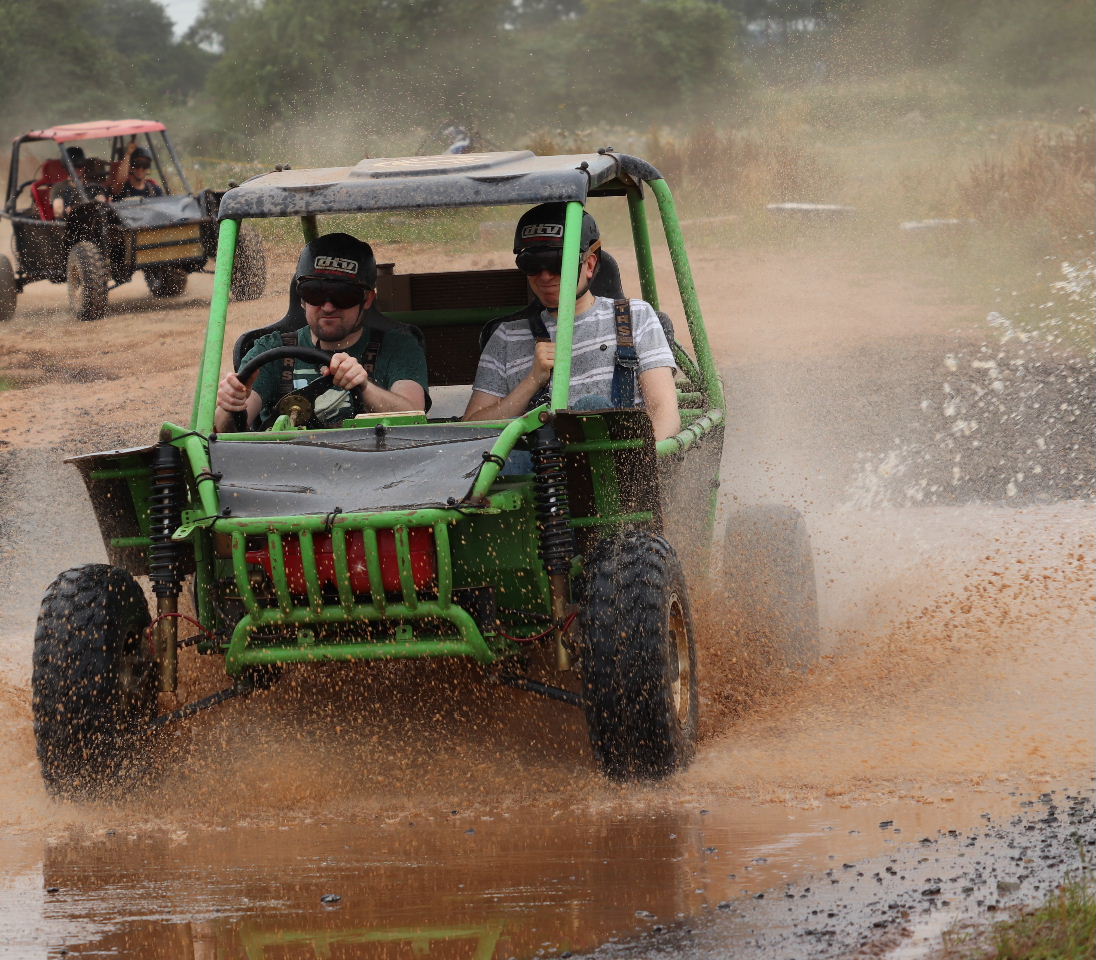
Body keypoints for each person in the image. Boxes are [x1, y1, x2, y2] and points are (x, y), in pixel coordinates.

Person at [464, 203, 681, 441]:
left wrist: (644, 460)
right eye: (532, 265)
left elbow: (665, 412)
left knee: (591, 407)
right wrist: (532, 381)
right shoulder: (506, 336)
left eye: (557, 264)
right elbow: (472, 431)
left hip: (622, 455)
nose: (544, 276)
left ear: (589, 264)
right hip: (534, 462)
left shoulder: (634, 317)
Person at [215, 233, 428, 432]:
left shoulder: (398, 347)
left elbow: (414, 417)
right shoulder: (270, 350)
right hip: (284, 457)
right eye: (314, 292)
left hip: (376, 457)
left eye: (343, 295)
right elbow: (223, 433)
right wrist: (231, 404)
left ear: (367, 299)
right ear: (301, 297)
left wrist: (364, 386)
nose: (328, 307)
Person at [50, 147, 107, 218]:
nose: (78, 169)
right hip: (70, 222)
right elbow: (58, 212)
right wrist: (69, 211)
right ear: (67, 168)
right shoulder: (59, 188)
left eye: (80, 166)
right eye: (74, 167)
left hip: (92, 221)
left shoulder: (94, 187)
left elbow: (101, 202)